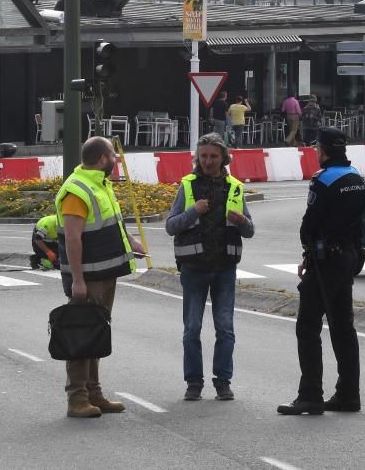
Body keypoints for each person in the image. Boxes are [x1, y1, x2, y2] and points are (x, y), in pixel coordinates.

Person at [278, 126, 365, 416]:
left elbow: (310, 224)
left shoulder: (323, 180)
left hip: (326, 260)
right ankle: (348, 394)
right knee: (343, 327)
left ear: (323, 150)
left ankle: (310, 395)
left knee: (307, 326)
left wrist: (308, 252)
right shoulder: (356, 178)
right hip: (349, 257)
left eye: (317, 148)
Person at [56, 136, 147, 418]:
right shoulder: (77, 190)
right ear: (102, 159)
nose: (116, 160)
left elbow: (112, 223)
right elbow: (73, 238)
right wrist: (79, 281)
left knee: (95, 333)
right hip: (90, 277)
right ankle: (77, 398)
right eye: (113, 155)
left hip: (106, 273)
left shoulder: (100, 185)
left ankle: (94, 393)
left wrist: (130, 242)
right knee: (82, 334)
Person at [165, 133, 255, 402]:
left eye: (213, 156)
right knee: (192, 328)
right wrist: (194, 211)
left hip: (225, 267)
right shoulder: (188, 186)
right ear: (197, 157)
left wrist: (241, 222)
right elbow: (171, 226)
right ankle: (194, 383)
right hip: (194, 268)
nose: (208, 161)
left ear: (223, 158)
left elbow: (250, 230)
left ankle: (223, 382)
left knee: (225, 328)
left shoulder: (235, 188)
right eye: (203, 156)